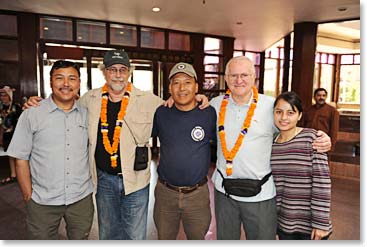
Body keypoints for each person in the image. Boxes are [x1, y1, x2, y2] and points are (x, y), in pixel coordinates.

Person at [24, 50, 209, 240]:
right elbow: (66, 102)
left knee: (135, 236)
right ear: (104, 72)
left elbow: (178, 102)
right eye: (112, 70)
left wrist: (198, 97)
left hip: (136, 182)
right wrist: (36, 102)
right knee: (108, 234)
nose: (118, 75)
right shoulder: (89, 99)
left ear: (129, 72)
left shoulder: (150, 101)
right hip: (104, 181)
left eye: (123, 69)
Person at [209, 56, 331, 240]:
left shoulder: (270, 106)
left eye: (244, 75)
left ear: (254, 77)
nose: (239, 80)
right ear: (225, 78)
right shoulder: (214, 105)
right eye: (233, 75)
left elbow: (289, 126)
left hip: (261, 194)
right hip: (224, 193)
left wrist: (321, 137)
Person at [6, 60, 94, 239]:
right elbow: (21, 158)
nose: (66, 84)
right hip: (42, 201)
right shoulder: (32, 113)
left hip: (81, 199)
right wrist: (27, 195)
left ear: (79, 83)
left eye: (72, 78)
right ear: (51, 82)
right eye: (59, 78)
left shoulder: (88, 115)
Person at [152, 63, 216, 240]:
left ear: (196, 86)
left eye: (187, 82)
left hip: (197, 194)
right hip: (166, 194)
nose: (182, 88)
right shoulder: (161, 112)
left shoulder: (210, 113)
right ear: (170, 88)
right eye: (176, 83)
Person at [271, 91, 332, 240]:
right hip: (284, 224)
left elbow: (322, 183)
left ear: (299, 116)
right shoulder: (271, 143)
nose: (284, 117)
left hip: (310, 227)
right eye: (279, 112)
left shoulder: (311, 138)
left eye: (290, 112)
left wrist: (321, 224)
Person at [0, 86, 22, 185]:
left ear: (9, 96)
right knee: (10, 154)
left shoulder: (16, 106)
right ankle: (13, 175)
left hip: (16, 133)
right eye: (1, 95)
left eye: (5, 95)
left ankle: (21, 175)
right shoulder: (1, 107)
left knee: (18, 154)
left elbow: (20, 121)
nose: (2, 97)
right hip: (5, 135)